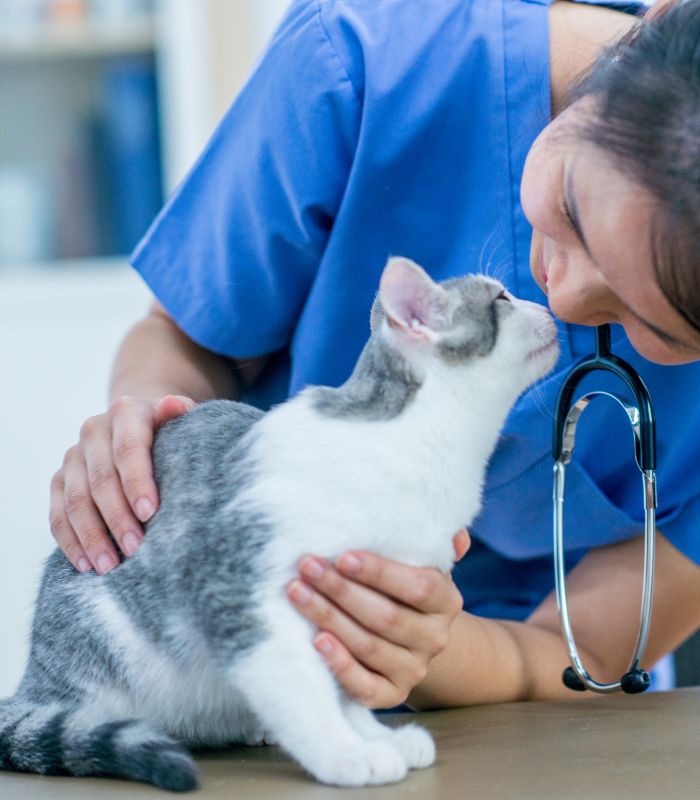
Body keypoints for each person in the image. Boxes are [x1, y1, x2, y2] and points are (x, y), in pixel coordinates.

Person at [50, 0, 700, 710]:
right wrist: (146, 430)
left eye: (653, 326)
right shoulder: (363, 58)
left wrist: (420, 643)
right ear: (653, 21)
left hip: (539, 718)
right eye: (572, 206)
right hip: (247, 643)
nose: (565, 297)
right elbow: (183, 337)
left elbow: (592, 656)